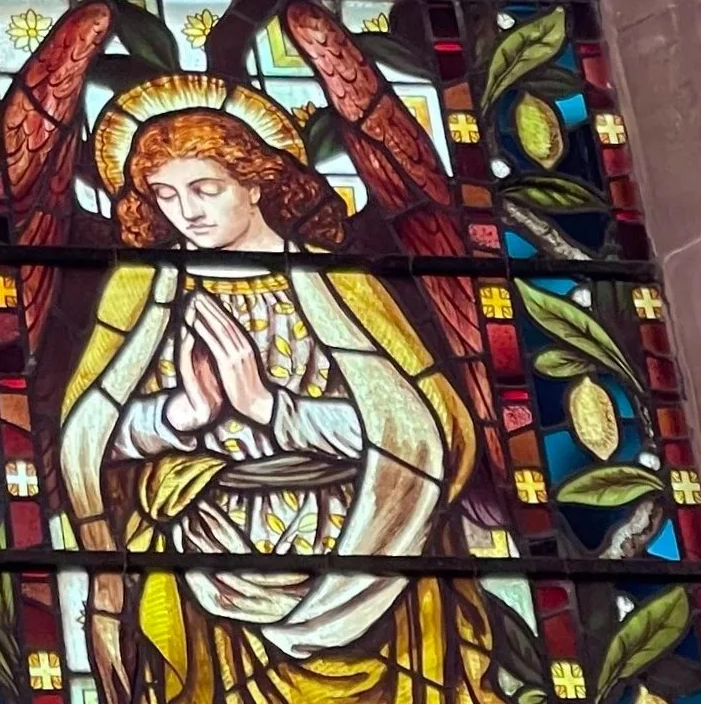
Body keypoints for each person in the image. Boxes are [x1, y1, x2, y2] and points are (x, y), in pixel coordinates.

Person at [61, 78, 502, 704]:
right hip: (207, 570)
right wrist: (181, 415)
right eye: (164, 196)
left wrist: (273, 409)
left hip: (364, 558)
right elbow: (90, 437)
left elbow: (422, 432)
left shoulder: (339, 284)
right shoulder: (141, 292)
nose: (185, 212)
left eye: (205, 189)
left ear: (256, 182)